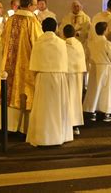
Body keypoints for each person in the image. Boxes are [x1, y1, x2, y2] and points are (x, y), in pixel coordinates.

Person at [0, 0, 43, 134]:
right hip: (26, 63)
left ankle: (8, 125)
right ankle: (23, 128)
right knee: (25, 90)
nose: (36, 7)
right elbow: (38, 42)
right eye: (35, 4)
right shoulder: (32, 21)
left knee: (8, 89)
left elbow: (2, 39)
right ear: (30, 6)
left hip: (8, 62)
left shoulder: (11, 19)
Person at [26, 18, 73, 146]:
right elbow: (64, 61)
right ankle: (60, 135)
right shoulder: (60, 43)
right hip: (58, 77)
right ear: (55, 28)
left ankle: (43, 137)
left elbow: (34, 64)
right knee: (58, 107)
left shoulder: (38, 43)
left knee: (43, 108)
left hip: (43, 77)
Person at [83, 22, 111, 122]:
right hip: (105, 68)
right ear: (105, 30)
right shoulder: (106, 43)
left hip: (94, 67)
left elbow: (87, 55)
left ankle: (91, 111)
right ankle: (105, 113)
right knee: (106, 91)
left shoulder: (91, 43)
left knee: (93, 89)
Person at [63, 24, 87, 135]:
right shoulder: (79, 44)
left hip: (67, 74)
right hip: (78, 74)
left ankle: (67, 123)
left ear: (63, 34)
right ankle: (76, 124)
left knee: (67, 98)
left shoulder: (63, 44)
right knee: (76, 99)